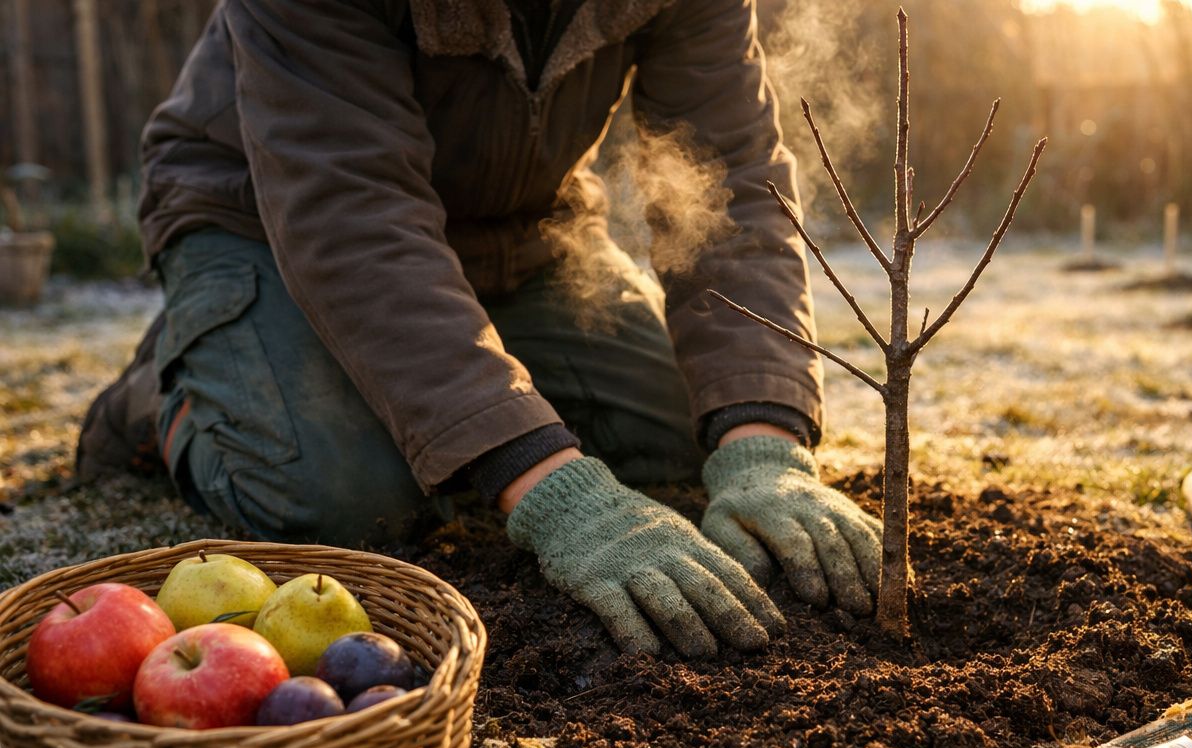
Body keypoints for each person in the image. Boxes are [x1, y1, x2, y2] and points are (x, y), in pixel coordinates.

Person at [75, 0, 881, 658]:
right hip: (266, 218)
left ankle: (453, 370)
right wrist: (557, 491)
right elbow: (353, 217)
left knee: (680, 432)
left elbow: (733, 183)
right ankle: (182, 387)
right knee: (349, 502)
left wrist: (763, 437)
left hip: (520, 232)